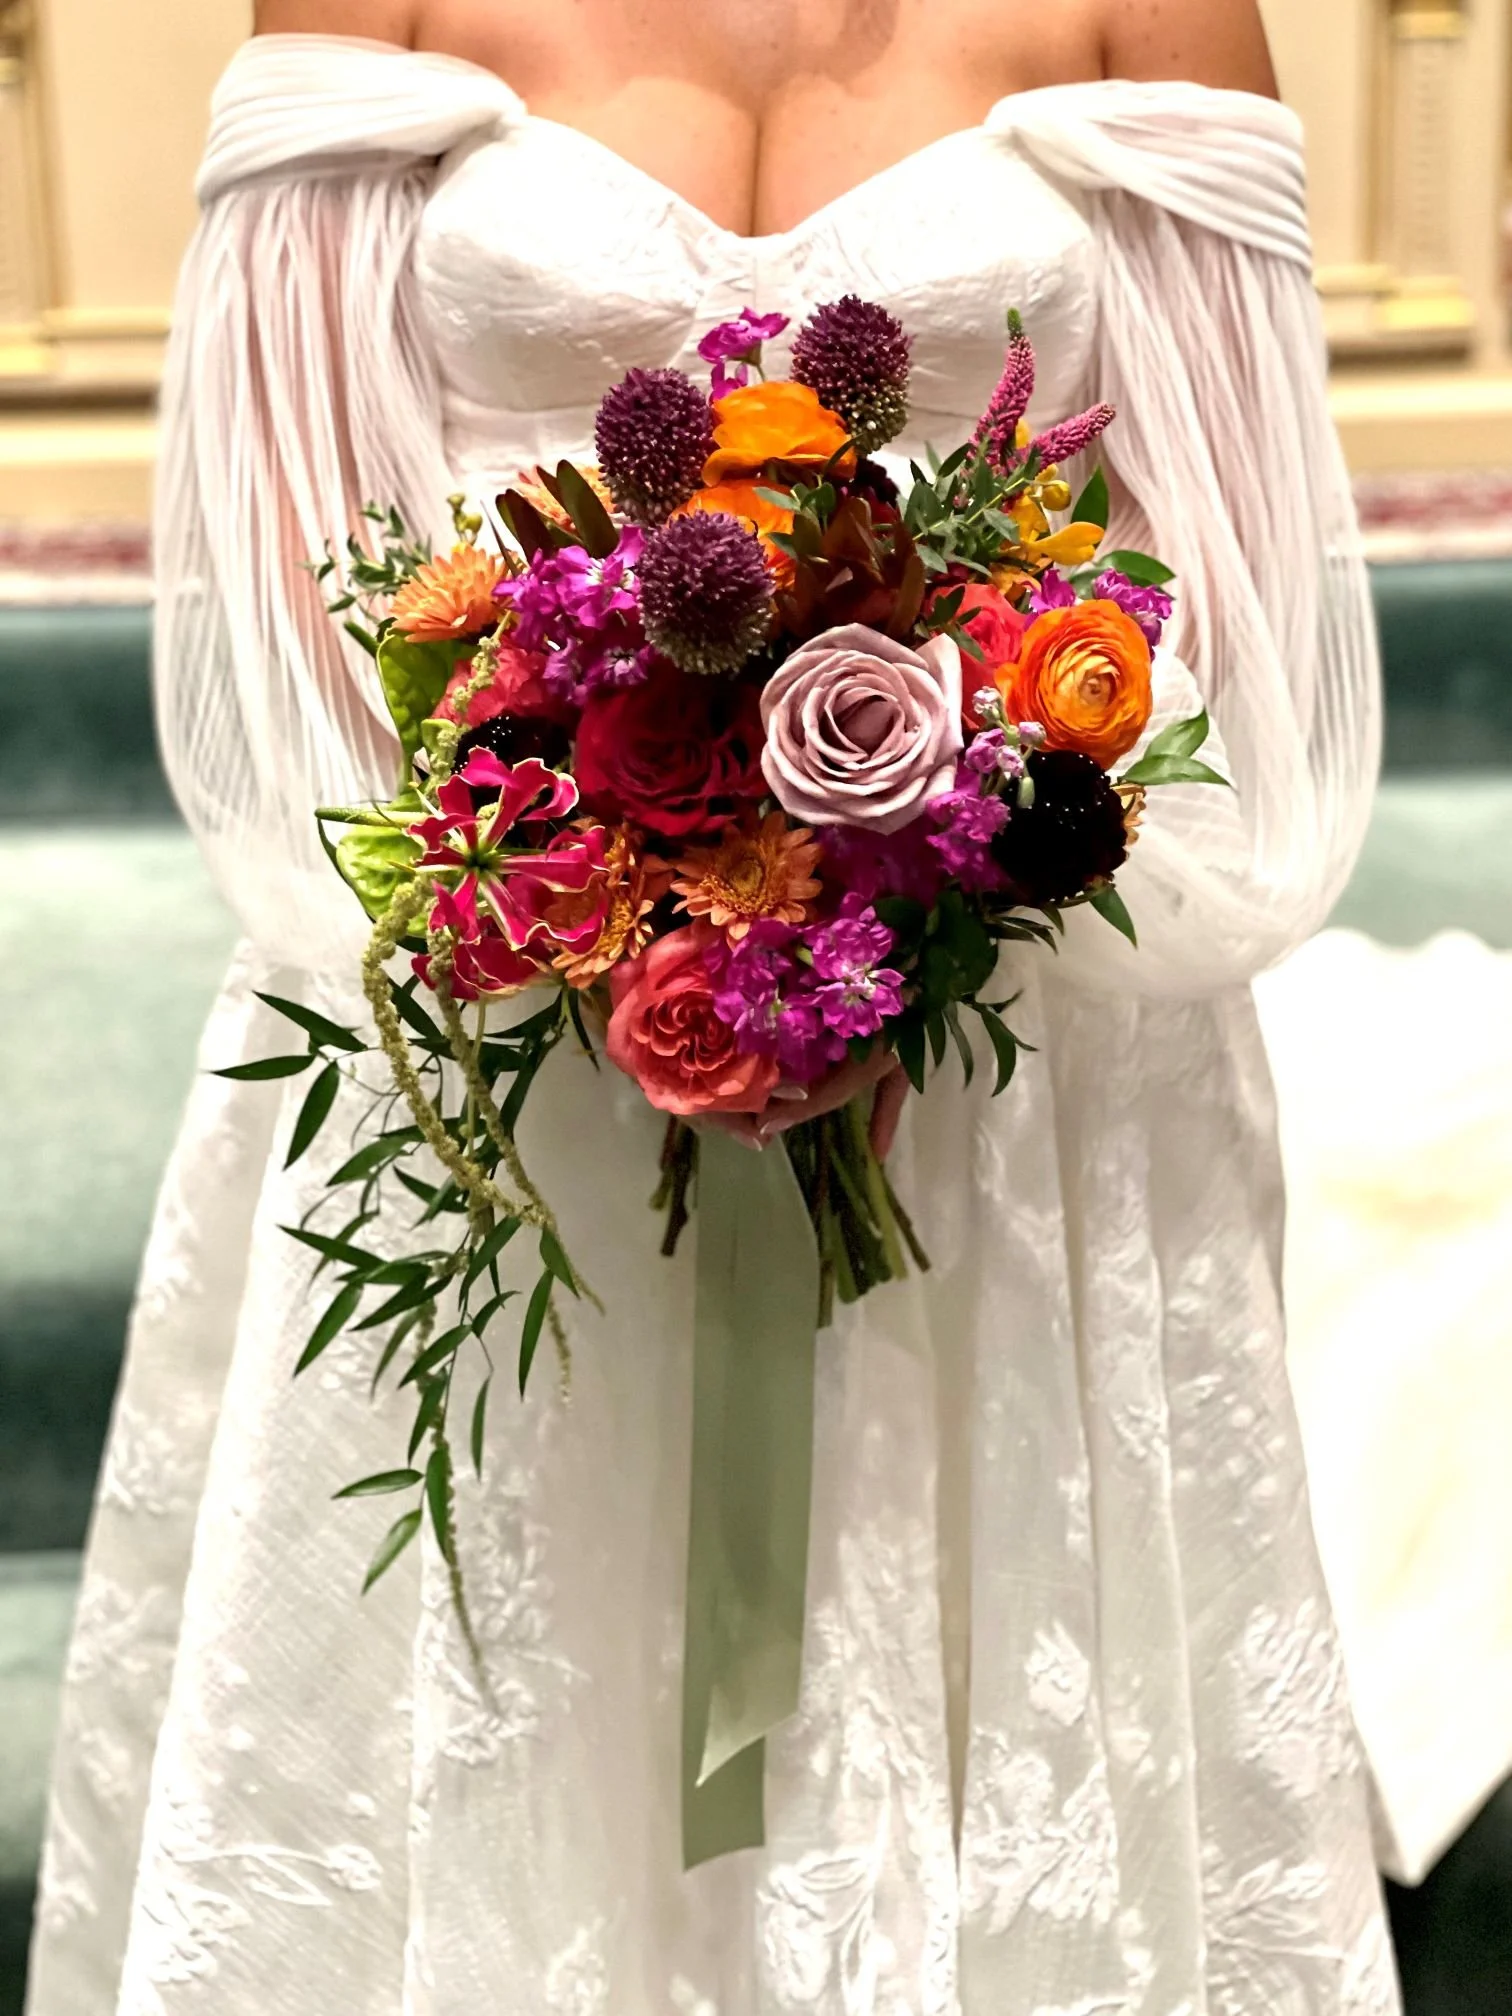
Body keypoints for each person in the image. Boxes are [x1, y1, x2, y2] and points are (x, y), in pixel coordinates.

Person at [26, 2, 1402, 2010]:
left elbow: (1244, 574)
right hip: (503, 988)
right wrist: (588, 876)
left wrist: (918, 864)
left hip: (1009, 1024)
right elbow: (286, 538)